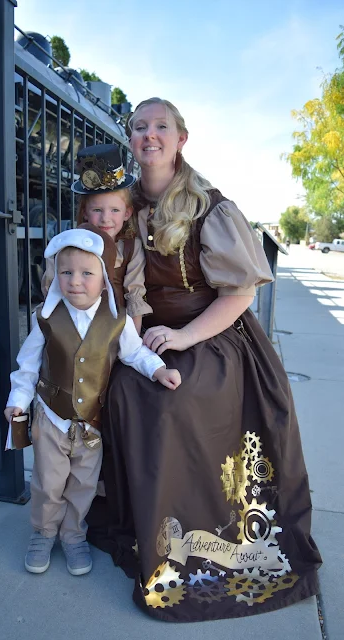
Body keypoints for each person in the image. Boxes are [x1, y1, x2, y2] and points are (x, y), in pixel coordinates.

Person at [87, 98, 321, 622]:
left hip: (211, 333)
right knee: (121, 389)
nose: (150, 135)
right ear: (132, 139)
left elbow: (239, 296)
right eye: (140, 127)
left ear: (181, 139)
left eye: (161, 126)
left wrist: (184, 336)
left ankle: (194, 540)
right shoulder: (122, 206)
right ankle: (142, 525)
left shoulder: (209, 206)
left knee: (171, 402)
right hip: (148, 334)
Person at [4, 225, 181, 578]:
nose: (75, 281)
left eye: (86, 273)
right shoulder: (46, 318)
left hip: (91, 424)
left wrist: (159, 370)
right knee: (48, 483)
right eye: (66, 272)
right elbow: (27, 366)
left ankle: (73, 534)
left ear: (103, 278)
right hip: (51, 419)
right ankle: (43, 532)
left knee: (83, 484)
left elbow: (134, 354)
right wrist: (18, 401)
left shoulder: (116, 321)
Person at [41, 143, 152, 334]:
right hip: (74, 331)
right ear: (85, 213)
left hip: (117, 332)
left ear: (127, 213)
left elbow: (134, 296)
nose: (105, 218)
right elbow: (51, 291)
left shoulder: (131, 249)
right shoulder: (65, 246)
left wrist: (133, 346)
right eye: (97, 210)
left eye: (114, 210)